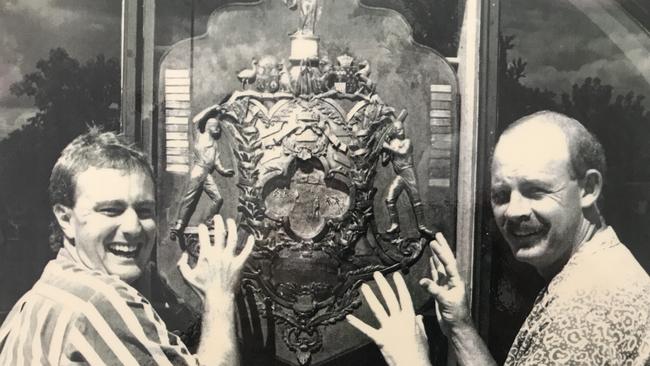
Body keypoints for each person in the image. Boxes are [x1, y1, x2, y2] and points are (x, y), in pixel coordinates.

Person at [347, 111, 650, 365]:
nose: (514, 211)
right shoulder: (595, 269)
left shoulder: (586, 312)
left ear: (588, 189)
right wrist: (460, 327)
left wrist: (411, 361)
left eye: (535, 191)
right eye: (501, 195)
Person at [0, 129, 254, 365]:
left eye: (144, 211)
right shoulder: (100, 302)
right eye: (111, 210)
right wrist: (220, 295)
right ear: (66, 219)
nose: (133, 227)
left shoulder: (41, 294)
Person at [171, 115, 235, 238]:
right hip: (198, 170)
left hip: (207, 174)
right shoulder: (199, 136)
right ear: (209, 127)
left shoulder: (215, 144)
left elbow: (216, 162)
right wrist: (212, 109)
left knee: (218, 198)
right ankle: (178, 226)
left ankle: (208, 221)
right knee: (189, 199)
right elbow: (195, 120)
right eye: (216, 128)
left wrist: (224, 171)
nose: (219, 130)